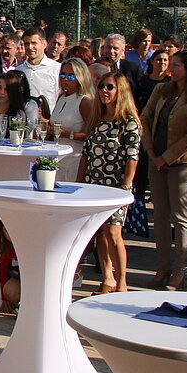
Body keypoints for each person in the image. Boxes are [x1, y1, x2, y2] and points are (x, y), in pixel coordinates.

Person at [141, 50, 187, 289]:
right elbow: (145, 118)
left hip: (182, 164)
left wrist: (167, 158)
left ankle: (180, 271)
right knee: (159, 216)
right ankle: (162, 267)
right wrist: (151, 151)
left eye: (177, 65)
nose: (172, 68)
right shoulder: (162, 89)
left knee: (180, 217)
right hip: (155, 159)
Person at [77, 72, 141, 294]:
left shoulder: (129, 122)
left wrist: (126, 186)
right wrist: (79, 183)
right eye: (101, 86)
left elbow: (132, 157)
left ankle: (122, 282)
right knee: (100, 233)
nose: (104, 90)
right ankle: (107, 279)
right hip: (93, 183)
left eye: (110, 87)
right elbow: (86, 154)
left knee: (114, 233)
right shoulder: (97, 119)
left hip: (116, 186)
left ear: (120, 90)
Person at [51, 58, 95, 181]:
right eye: (63, 75)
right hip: (57, 157)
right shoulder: (61, 97)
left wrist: (66, 134)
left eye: (71, 76)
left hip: (74, 160)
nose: (65, 79)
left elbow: (92, 135)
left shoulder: (85, 101)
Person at [16, 28, 60, 113]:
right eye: (27, 43)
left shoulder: (57, 69)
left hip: (48, 119)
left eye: (34, 43)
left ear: (44, 44)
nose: (30, 47)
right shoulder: (19, 70)